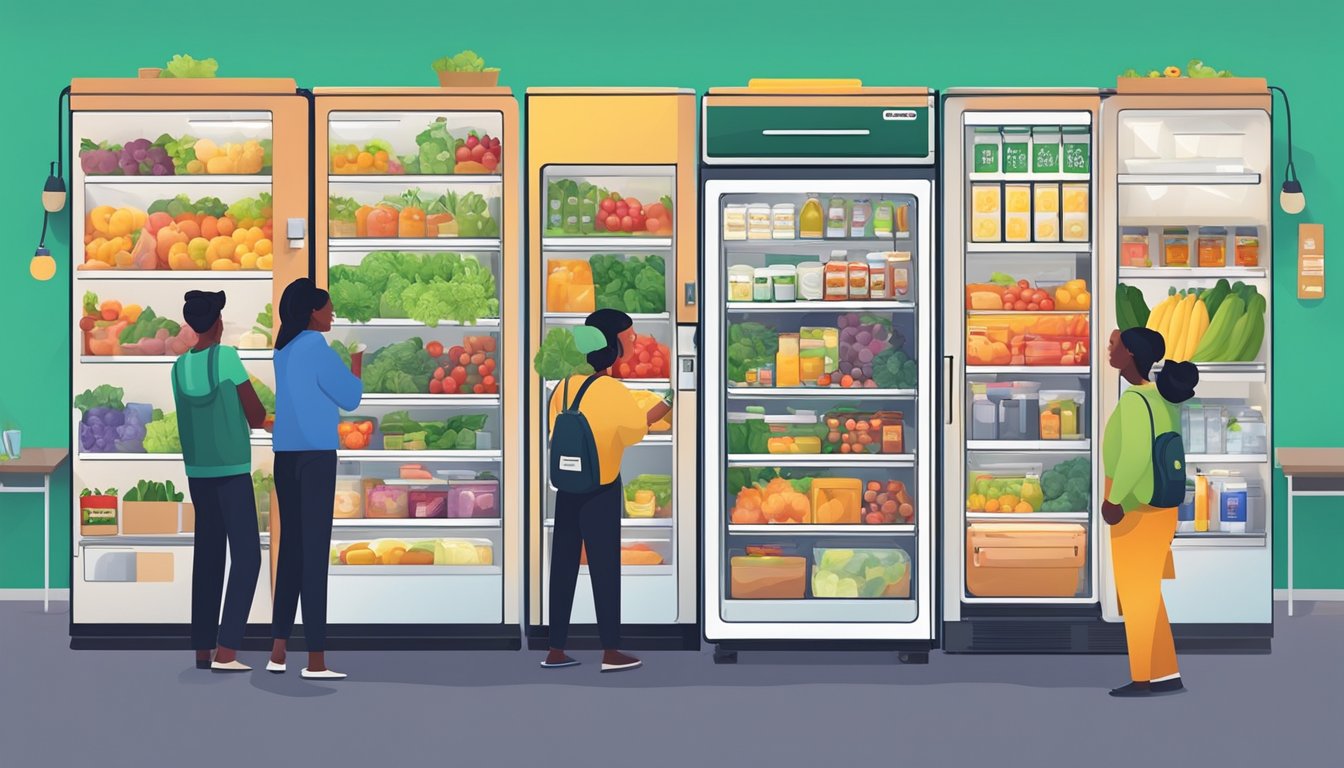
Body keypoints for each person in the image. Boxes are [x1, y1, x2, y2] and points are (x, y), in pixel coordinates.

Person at [543, 309, 672, 673]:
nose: (633, 343)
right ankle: (611, 651)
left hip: (566, 485)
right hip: (600, 487)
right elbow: (633, 430)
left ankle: (555, 649)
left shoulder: (564, 385)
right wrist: (667, 403)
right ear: (612, 345)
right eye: (629, 338)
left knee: (564, 564)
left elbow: (556, 427)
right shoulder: (613, 390)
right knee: (604, 568)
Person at [268, 278, 362, 680]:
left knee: (290, 551)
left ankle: (278, 652)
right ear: (312, 311)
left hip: (285, 456)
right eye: (328, 307)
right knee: (313, 555)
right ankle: (317, 660)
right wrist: (357, 362)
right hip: (316, 457)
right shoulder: (314, 346)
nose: (332, 313)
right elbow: (350, 396)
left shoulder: (283, 348)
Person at [172, 290, 267, 672]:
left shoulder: (178, 367)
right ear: (216, 323)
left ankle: (201, 649)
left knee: (208, 556)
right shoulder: (226, 357)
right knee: (247, 556)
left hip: (198, 472)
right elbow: (256, 415)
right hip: (231, 470)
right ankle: (227, 650)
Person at [1102, 327, 1199, 698]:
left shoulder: (1133, 401)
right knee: (1150, 593)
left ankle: (1143, 678)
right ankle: (1166, 672)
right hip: (1161, 507)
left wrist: (1115, 501)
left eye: (1114, 345)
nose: (1109, 350)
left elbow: (1133, 457)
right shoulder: (1161, 398)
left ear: (1129, 354)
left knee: (1137, 595)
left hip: (1136, 508)